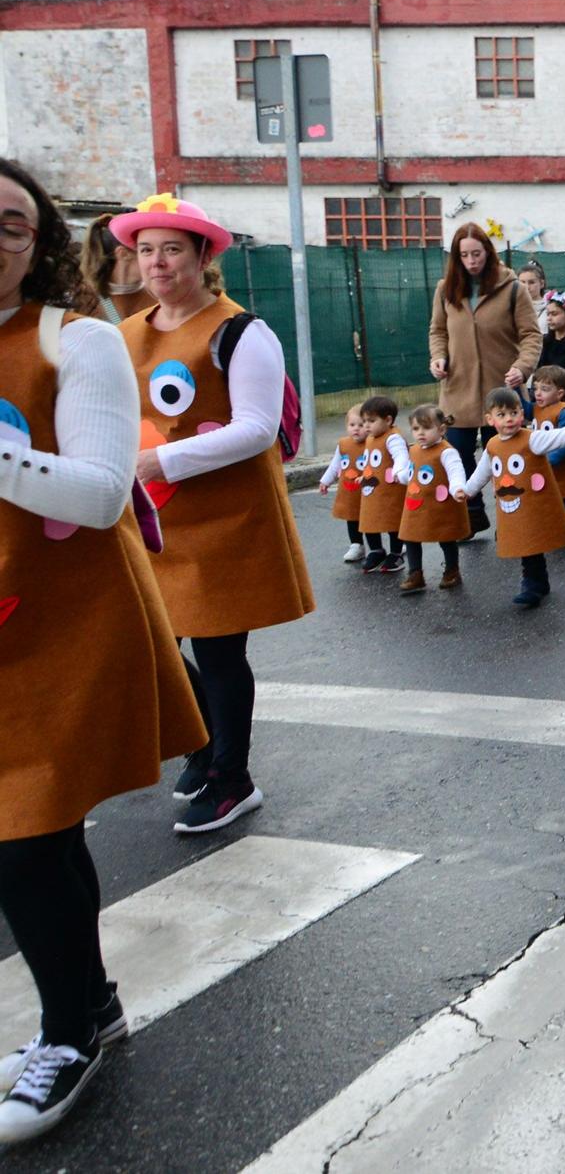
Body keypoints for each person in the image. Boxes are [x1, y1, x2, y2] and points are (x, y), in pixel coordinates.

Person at [0, 161, 207, 1145]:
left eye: (10, 223)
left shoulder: (73, 340)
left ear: (36, 245)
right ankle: (91, 1005)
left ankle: (69, 1031)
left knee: (23, 833)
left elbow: (92, 490)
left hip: (63, 620)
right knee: (34, 833)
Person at [115, 192, 315, 834]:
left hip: (227, 519)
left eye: (172, 249)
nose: (157, 263)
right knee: (150, 645)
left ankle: (233, 777)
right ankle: (204, 746)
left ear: (203, 256)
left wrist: (160, 463)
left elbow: (256, 429)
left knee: (220, 651)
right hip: (153, 521)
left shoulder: (242, 331)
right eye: (146, 250)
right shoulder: (125, 334)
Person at [428, 222, 541, 536]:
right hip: (458, 388)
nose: (471, 261)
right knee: (457, 454)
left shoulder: (512, 289)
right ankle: (472, 513)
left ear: (487, 253)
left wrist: (523, 366)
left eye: (476, 253)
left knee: (509, 453)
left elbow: (531, 335)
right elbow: (437, 331)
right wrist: (438, 357)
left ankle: (518, 511)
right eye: (464, 255)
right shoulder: (445, 290)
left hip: (501, 388)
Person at [461, 385, 565, 608]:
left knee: (532, 540)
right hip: (510, 505)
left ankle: (533, 584)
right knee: (524, 541)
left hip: (533, 504)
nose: (509, 419)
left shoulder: (531, 439)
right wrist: (468, 491)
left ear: (522, 414)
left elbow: (560, 436)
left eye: (514, 412)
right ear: (490, 419)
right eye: (501, 415)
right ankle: (537, 582)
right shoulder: (492, 445)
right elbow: (484, 470)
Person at [393, 402, 469, 593]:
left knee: (446, 536)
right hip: (416, 503)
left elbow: (455, 471)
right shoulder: (414, 450)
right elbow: (412, 473)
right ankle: (415, 573)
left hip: (440, 504)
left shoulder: (446, 451)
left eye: (426, 428)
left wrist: (458, 487)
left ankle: (452, 571)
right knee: (410, 536)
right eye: (416, 428)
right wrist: (399, 476)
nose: (420, 433)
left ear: (441, 429)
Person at [355, 394, 411, 573]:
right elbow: (369, 461)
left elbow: (401, 456)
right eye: (364, 421)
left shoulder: (392, 438)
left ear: (388, 420)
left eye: (371, 421)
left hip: (390, 489)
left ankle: (396, 553)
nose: (366, 426)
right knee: (369, 519)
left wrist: (398, 471)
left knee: (392, 520)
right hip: (371, 489)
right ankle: (376, 550)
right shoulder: (371, 438)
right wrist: (362, 476)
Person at [531, 364, 565, 523]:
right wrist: (514, 387)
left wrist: (549, 460)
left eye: (545, 389)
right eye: (536, 389)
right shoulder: (537, 409)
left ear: (560, 393)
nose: (538, 394)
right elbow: (522, 407)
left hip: (564, 467)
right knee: (552, 498)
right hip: (548, 467)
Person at [77, 211, 146, 321]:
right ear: (123, 254)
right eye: (146, 250)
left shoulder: (159, 295)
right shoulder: (87, 300)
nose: (156, 259)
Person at [320, 402, 368, 562]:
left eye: (361, 425)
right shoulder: (343, 444)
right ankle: (356, 545)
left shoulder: (373, 443)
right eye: (352, 424)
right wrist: (325, 481)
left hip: (369, 490)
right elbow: (335, 464)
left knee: (376, 518)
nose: (356, 428)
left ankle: (393, 544)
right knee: (352, 517)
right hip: (350, 491)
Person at [518, 259, 551, 334]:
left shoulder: (550, 307)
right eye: (522, 282)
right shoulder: (513, 307)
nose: (527, 287)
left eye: (531, 282)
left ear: (542, 283)